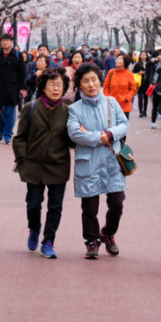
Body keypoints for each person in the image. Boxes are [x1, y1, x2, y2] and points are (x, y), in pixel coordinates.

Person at [67, 63, 130, 259]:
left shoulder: (111, 103)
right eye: (86, 81)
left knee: (117, 202)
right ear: (79, 84)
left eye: (94, 79)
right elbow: (74, 133)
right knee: (89, 207)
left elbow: (124, 124)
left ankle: (108, 233)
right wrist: (99, 137)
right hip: (89, 162)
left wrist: (110, 134)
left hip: (112, 161)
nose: (91, 84)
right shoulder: (74, 109)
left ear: (99, 80)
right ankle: (92, 240)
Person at [13, 68, 72, 259]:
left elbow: (72, 141)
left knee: (55, 206)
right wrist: (23, 159)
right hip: (33, 166)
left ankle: (48, 241)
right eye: (52, 84)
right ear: (43, 87)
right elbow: (19, 138)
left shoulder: (68, 112)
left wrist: (79, 133)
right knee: (33, 204)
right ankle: (34, 229)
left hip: (58, 165)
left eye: (60, 85)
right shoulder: (30, 107)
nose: (56, 89)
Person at [0, 33, 27, 144]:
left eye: (7, 40)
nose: (5, 42)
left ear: (11, 42)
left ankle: (7, 135)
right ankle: (2, 128)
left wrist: (22, 88)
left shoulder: (17, 55)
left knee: (9, 112)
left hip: (12, 88)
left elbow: (22, 74)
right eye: (3, 40)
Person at [103, 53, 136, 120]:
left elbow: (133, 89)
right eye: (117, 58)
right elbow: (106, 86)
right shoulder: (111, 72)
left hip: (124, 105)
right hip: (112, 104)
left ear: (125, 62)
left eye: (120, 59)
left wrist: (127, 98)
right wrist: (108, 97)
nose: (117, 60)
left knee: (123, 126)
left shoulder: (129, 74)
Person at [134, 51, 151, 118]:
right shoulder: (138, 64)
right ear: (140, 56)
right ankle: (140, 112)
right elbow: (134, 72)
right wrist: (138, 73)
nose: (144, 56)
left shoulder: (149, 64)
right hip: (140, 83)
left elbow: (151, 72)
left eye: (145, 55)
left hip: (147, 83)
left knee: (146, 97)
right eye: (142, 55)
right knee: (140, 98)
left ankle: (145, 111)